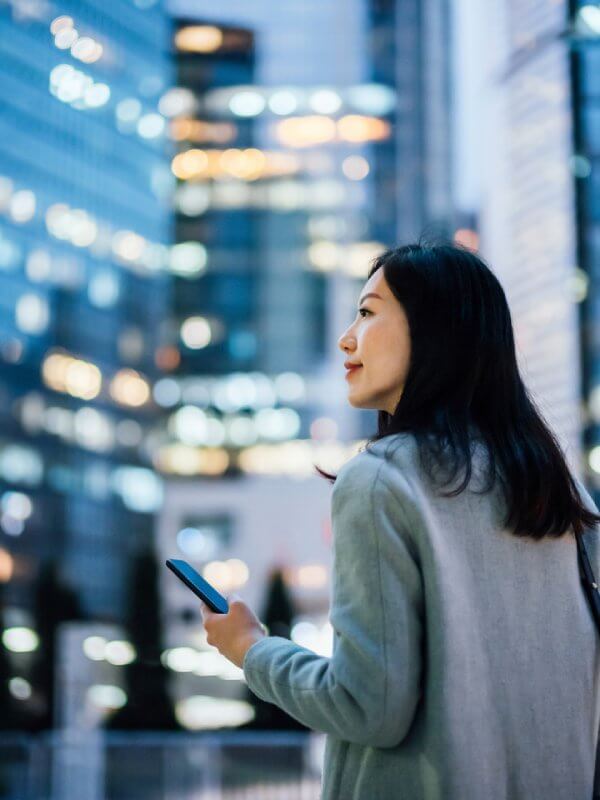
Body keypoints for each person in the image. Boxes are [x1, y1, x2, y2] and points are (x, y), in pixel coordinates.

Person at [199, 241, 600, 799]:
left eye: (366, 311)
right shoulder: (560, 490)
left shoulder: (383, 480)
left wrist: (251, 650)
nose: (346, 338)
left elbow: (367, 706)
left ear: (434, 331)